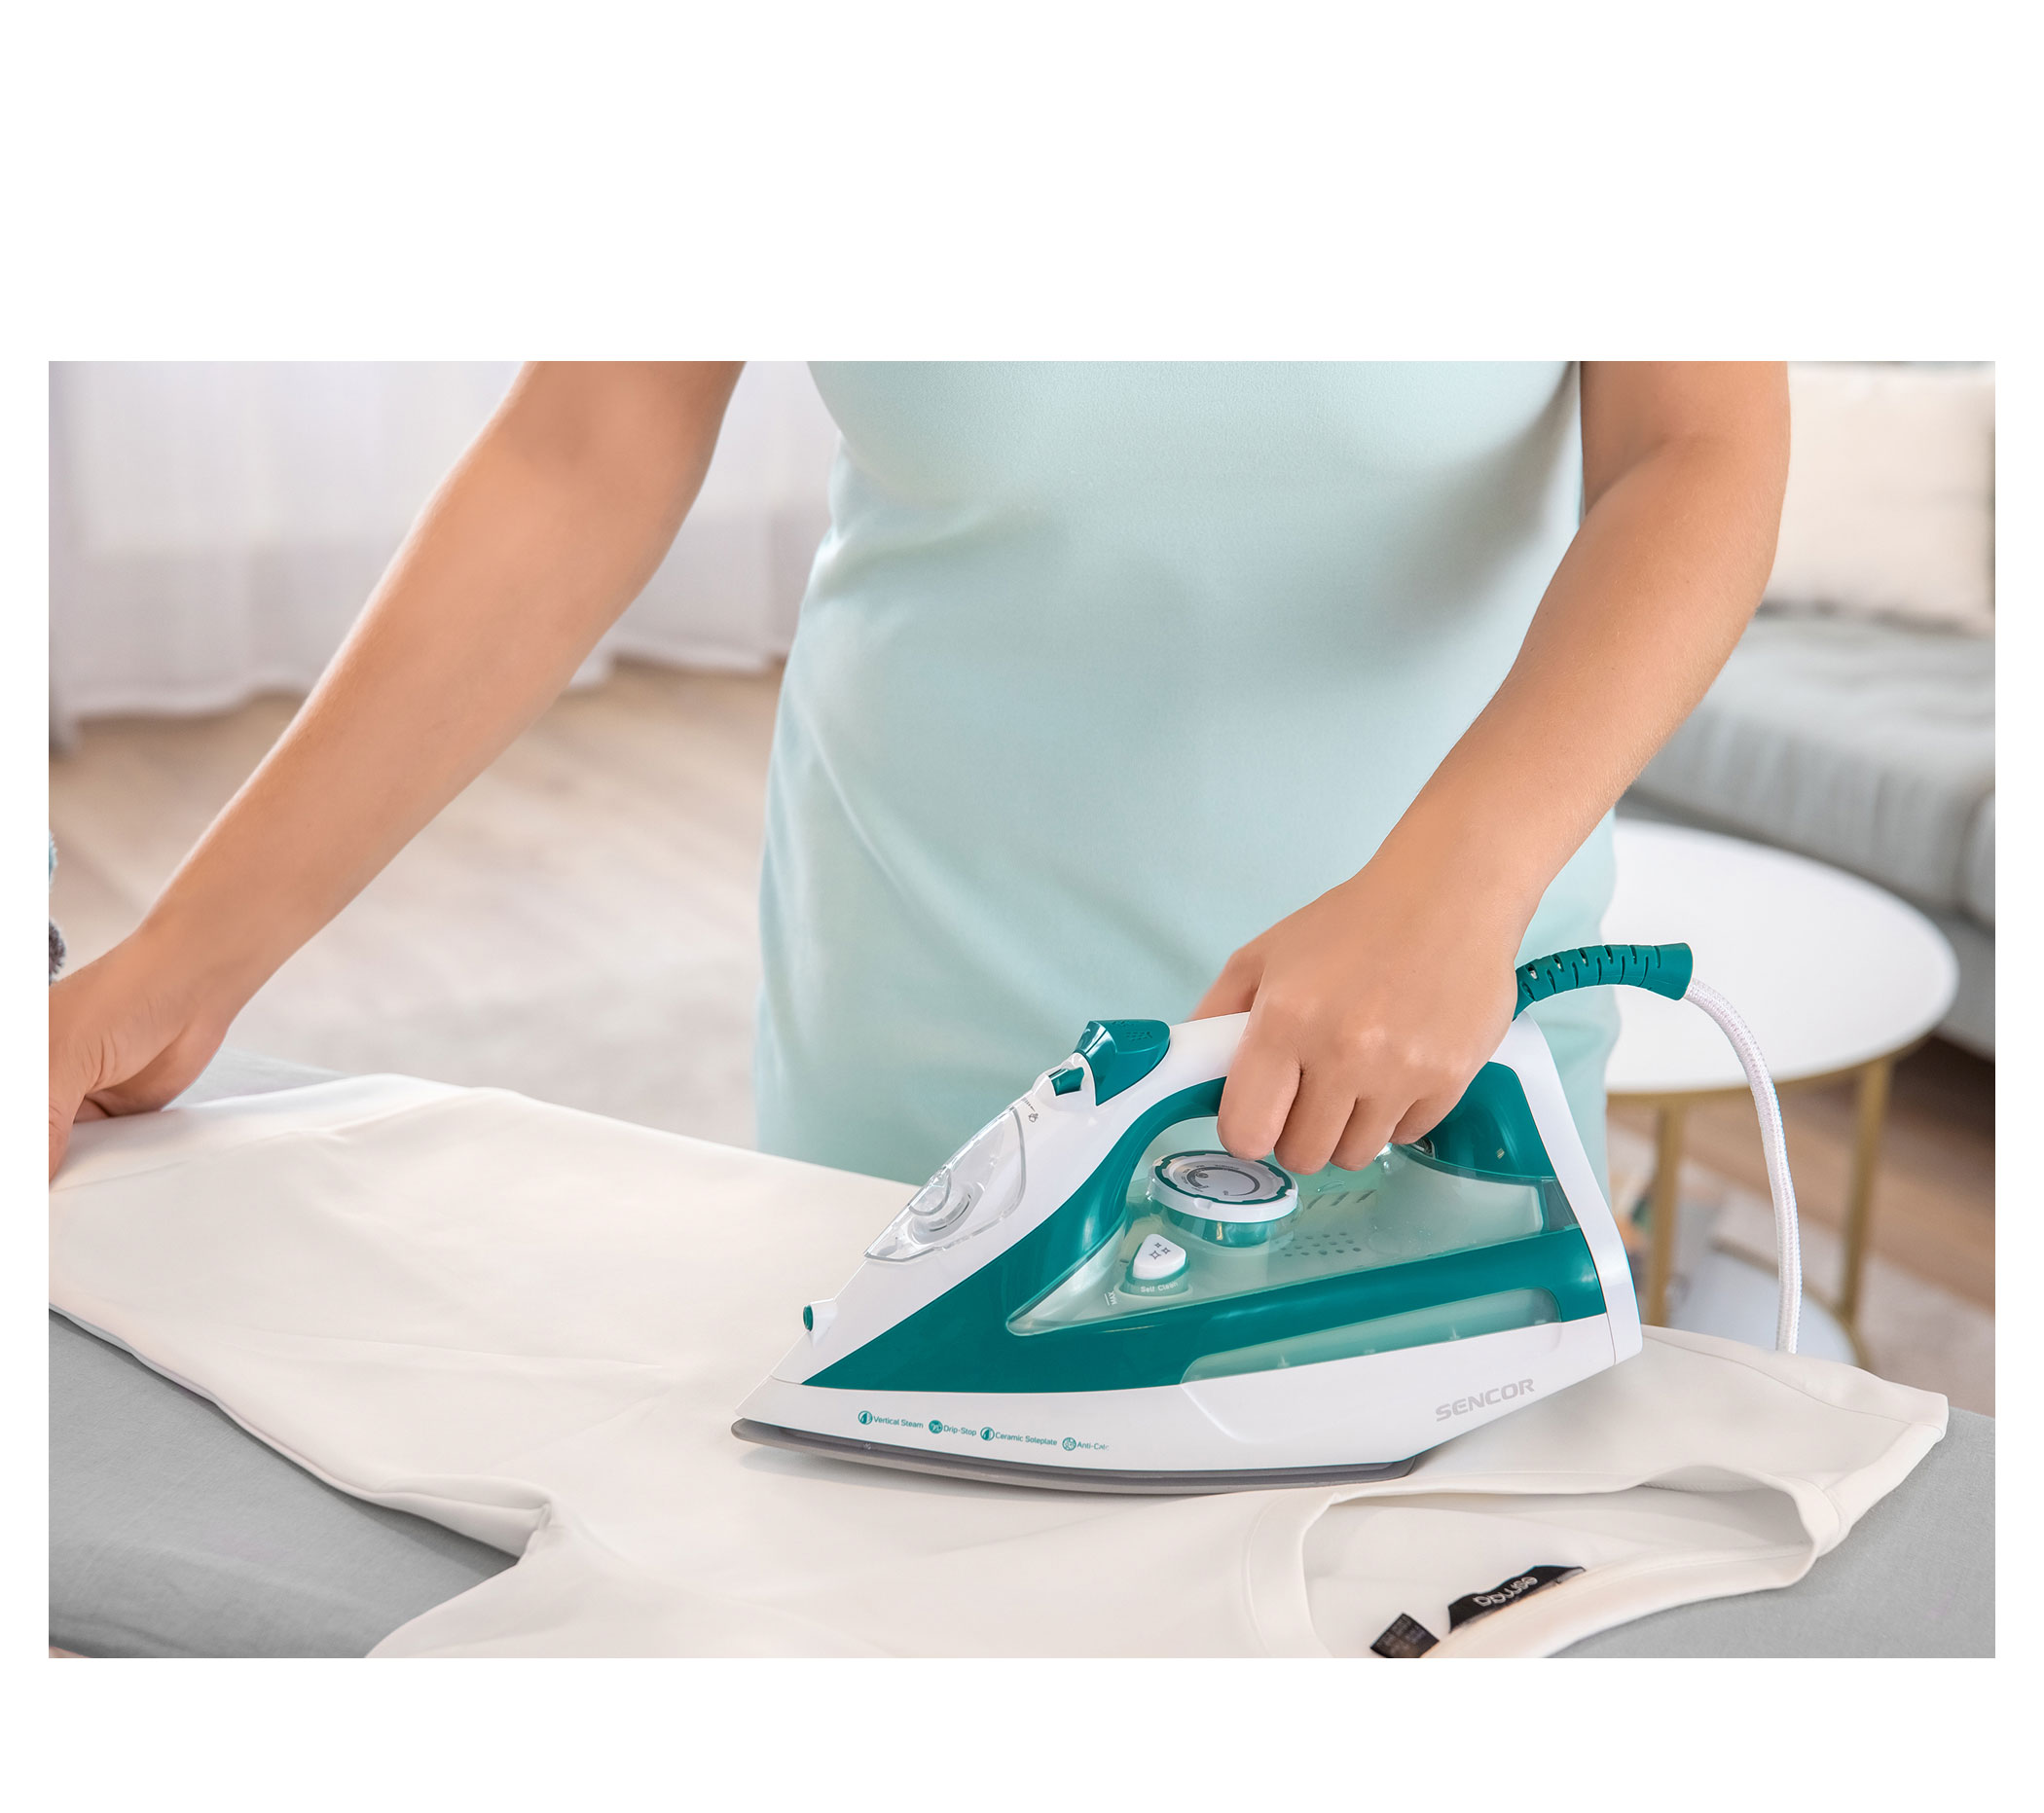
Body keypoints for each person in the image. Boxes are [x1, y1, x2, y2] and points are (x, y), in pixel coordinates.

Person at [48, 363, 1788, 1197]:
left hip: (1426, 1008)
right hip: (924, 983)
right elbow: (588, 447)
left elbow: (1698, 448)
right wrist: (183, 959)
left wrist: (1459, 885)